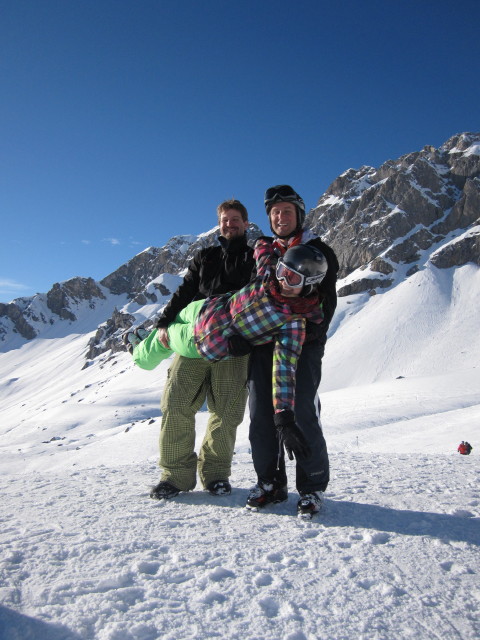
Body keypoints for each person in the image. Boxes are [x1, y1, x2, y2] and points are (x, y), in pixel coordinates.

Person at [127, 238, 329, 516]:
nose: (283, 279)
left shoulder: (293, 322)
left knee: (162, 341)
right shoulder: (267, 277)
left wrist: (283, 415)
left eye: (292, 277)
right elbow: (263, 252)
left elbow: (284, 367)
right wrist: (265, 243)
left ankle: (138, 346)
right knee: (162, 334)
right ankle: (135, 343)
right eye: (282, 270)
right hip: (203, 309)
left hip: (204, 343)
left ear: (309, 283)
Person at [136, 200, 255, 500]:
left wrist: (247, 338)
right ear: (219, 224)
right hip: (192, 340)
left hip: (233, 345)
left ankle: (216, 475)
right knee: (176, 404)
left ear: (246, 223)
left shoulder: (255, 257)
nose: (230, 224)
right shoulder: (206, 256)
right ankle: (175, 477)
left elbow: (258, 301)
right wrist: (165, 322)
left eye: (236, 219)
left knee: (227, 413)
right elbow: (186, 290)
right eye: (225, 220)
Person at [246, 185, 339, 518]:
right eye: (274, 213)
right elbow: (250, 298)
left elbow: (328, 299)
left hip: (304, 344)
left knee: (300, 411)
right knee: (261, 414)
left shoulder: (318, 251)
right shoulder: (262, 253)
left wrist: (313, 333)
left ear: (299, 215)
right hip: (263, 345)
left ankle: (311, 486)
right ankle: (270, 483)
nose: (280, 217)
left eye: (286, 211)